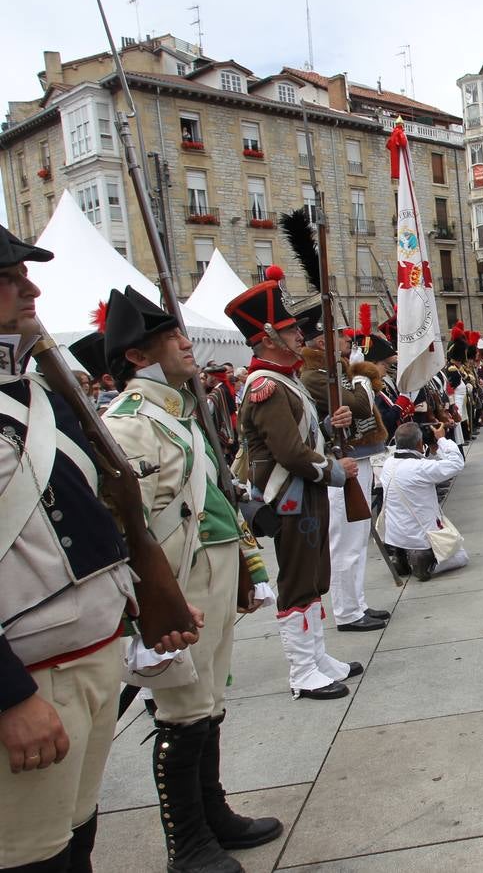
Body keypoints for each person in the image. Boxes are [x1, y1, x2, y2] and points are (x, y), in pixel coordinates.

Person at [0, 225, 197, 872]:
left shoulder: (36, 394)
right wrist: (9, 696)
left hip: (89, 661)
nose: (30, 287)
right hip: (30, 684)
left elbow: (100, 522)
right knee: (35, 860)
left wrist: (146, 603)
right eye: (8, 278)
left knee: (75, 845)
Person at [100, 288, 282, 873]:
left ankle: (213, 813)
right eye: (169, 336)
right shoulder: (129, 424)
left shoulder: (176, 412)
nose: (186, 341)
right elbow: (131, 529)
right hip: (178, 583)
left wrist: (244, 572)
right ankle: (188, 842)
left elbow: (214, 504)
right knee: (182, 710)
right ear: (136, 356)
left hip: (211, 571)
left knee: (209, 702)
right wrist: (152, 609)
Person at [224, 278, 362, 700]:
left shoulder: (284, 379)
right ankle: (303, 671)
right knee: (299, 582)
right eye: (288, 330)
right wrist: (335, 471)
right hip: (290, 496)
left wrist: (324, 428)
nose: (299, 334)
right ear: (266, 338)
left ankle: (318, 658)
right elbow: (289, 452)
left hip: (305, 492)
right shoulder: (265, 385)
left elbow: (297, 438)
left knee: (314, 578)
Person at [296, 303, 389, 634]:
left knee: (358, 537)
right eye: (337, 336)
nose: (344, 340)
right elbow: (361, 404)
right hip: (341, 463)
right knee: (345, 541)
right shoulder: (315, 376)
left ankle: (357, 602)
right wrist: (363, 376)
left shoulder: (333, 373)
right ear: (321, 342)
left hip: (357, 457)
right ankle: (347, 610)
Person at [379, 422, 466, 581]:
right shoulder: (420, 468)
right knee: (461, 556)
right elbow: (456, 463)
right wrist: (441, 440)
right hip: (419, 537)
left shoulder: (388, 463)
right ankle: (427, 564)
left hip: (395, 537)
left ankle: (402, 558)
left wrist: (431, 450)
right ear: (419, 443)